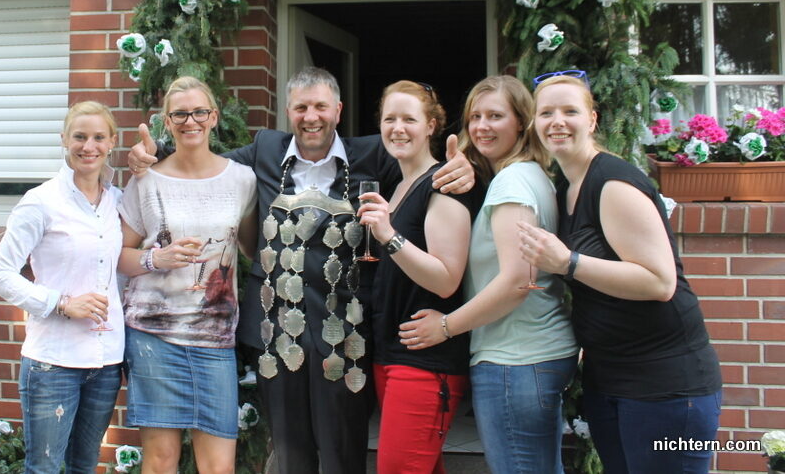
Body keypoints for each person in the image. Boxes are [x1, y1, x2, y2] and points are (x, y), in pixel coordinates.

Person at [128, 67, 475, 474]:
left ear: (339, 110)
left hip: (347, 334)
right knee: (290, 456)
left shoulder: (373, 154)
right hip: (277, 332)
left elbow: (422, 170)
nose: (312, 117)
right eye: (301, 108)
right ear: (288, 111)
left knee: (344, 453)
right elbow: (202, 164)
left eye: (321, 107)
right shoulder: (264, 151)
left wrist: (463, 169)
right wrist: (154, 154)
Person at [519, 73, 722, 474]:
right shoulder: (566, 187)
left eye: (570, 111)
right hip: (610, 380)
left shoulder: (612, 183)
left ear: (592, 120)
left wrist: (568, 263)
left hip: (666, 387)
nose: (557, 121)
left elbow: (660, 282)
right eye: (546, 113)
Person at [399, 75, 578, 473]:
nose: (482, 126)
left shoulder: (512, 183)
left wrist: (445, 326)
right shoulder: (527, 175)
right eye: (475, 117)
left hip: (516, 360)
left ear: (522, 122)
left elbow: (517, 281)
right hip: (530, 356)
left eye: (496, 116)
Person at [118, 76, 258, 474]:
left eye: (199, 112)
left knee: (218, 465)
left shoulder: (241, 180)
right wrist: (156, 259)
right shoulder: (146, 180)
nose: (190, 121)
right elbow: (117, 256)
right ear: (167, 121)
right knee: (161, 460)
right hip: (153, 335)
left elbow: (251, 249)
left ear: (213, 117)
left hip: (215, 336)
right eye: (179, 114)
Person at [0, 101, 124, 474]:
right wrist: (61, 303)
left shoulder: (116, 200)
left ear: (112, 141)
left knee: (84, 466)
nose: (88, 146)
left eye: (98, 137)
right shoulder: (41, 202)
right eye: (79, 137)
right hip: (53, 362)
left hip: (106, 360)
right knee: (44, 469)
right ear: (64, 140)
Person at [356, 81, 484, 474]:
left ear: (431, 126)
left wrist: (388, 236)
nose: (398, 128)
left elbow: (446, 279)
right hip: (391, 355)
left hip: (425, 361)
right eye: (389, 119)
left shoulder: (443, 184)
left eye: (409, 119)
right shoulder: (395, 186)